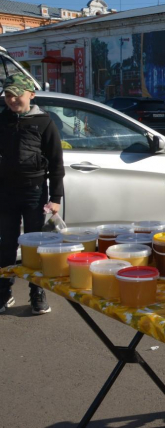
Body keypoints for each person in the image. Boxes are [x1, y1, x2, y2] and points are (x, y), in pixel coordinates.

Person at [0, 74, 64, 314]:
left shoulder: (44, 122)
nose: (12, 99)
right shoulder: (2, 121)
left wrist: (56, 198)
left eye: (17, 94)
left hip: (34, 193)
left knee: (35, 246)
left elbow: (56, 164)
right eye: (8, 95)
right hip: (5, 193)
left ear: (31, 95)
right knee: (6, 245)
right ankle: (4, 293)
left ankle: (37, 293)